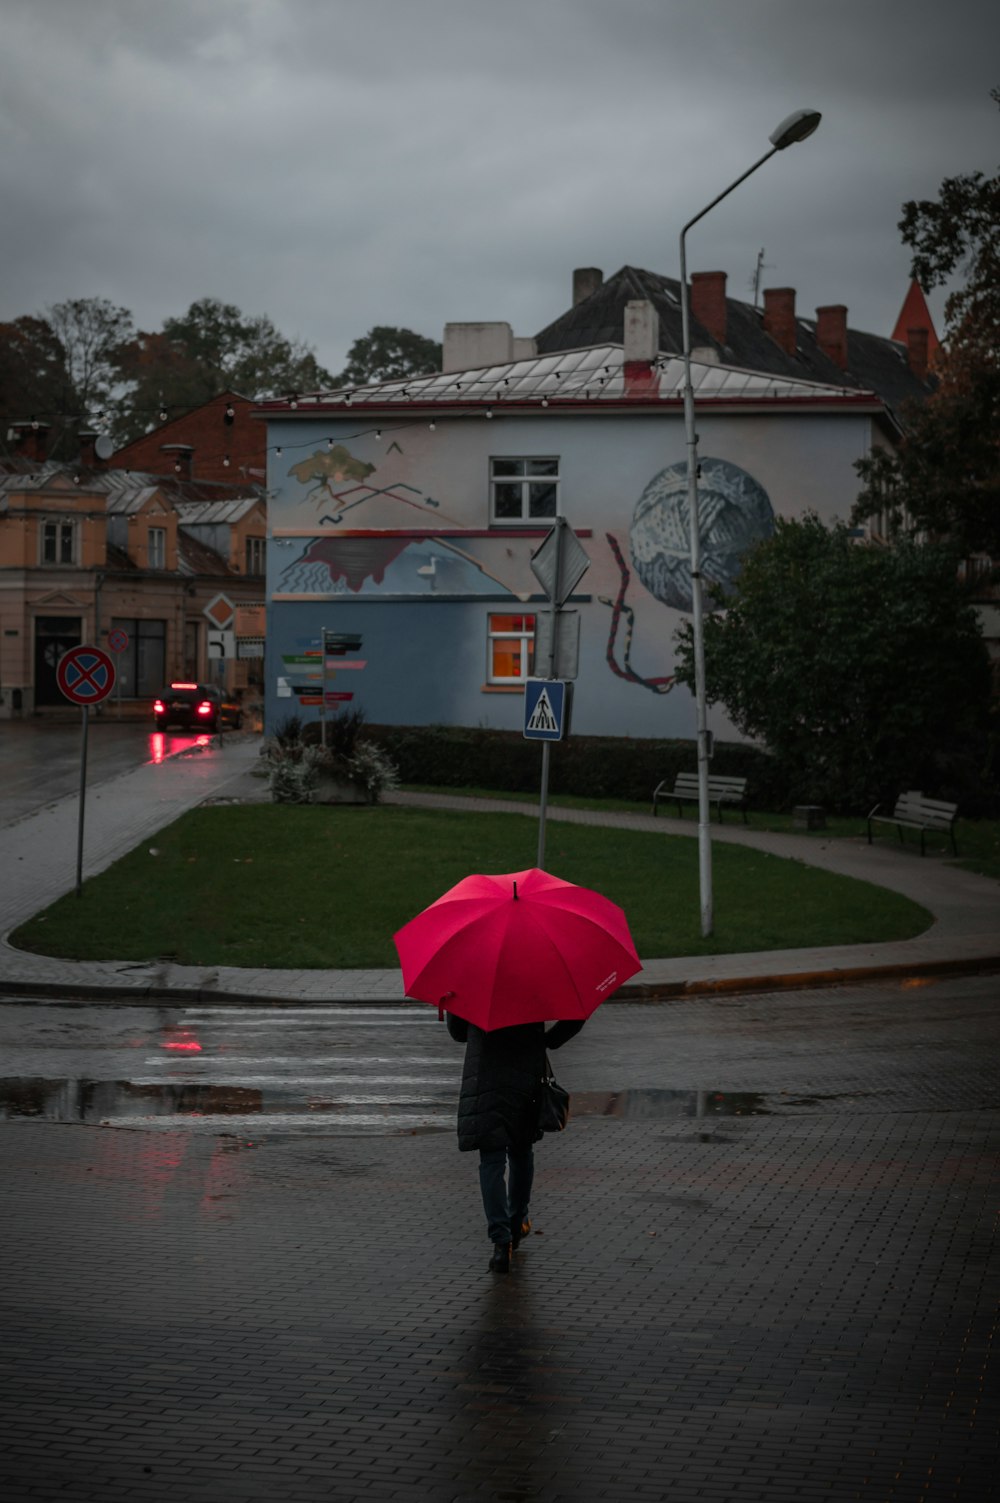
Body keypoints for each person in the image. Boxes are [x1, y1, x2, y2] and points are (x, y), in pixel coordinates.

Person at [446, 1013, 584, 1274]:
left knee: (491, 1160)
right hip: (525, 1073)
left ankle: (501, 1243)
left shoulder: (474, 977)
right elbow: (576, 1016)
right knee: (521, 1150)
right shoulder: (536, 975)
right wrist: (548, 1041)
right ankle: (517, 1222)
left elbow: (458, 1033)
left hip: (485, 1076)